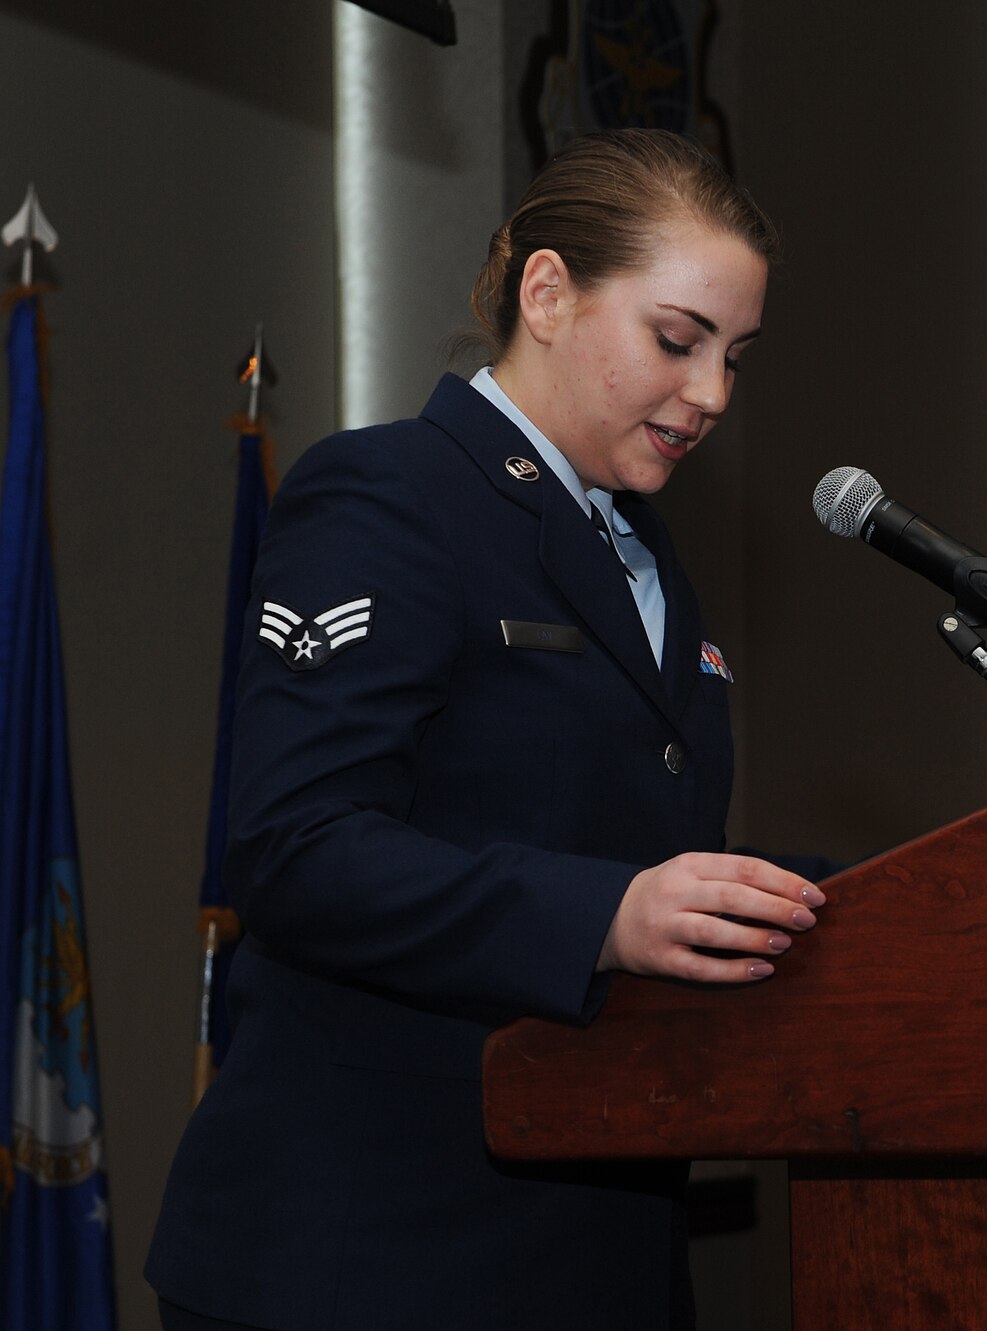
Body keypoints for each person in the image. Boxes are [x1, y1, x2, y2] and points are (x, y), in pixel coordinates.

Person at [147, 129, 833, 1331]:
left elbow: (626, 845)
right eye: (677, 340)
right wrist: (605, 917)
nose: (714, 393)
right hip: (374, 1259)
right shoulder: (389, 495)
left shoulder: (640, 554)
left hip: (593, 1254)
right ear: (548, 291)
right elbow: (297, 845)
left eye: (736, 356)